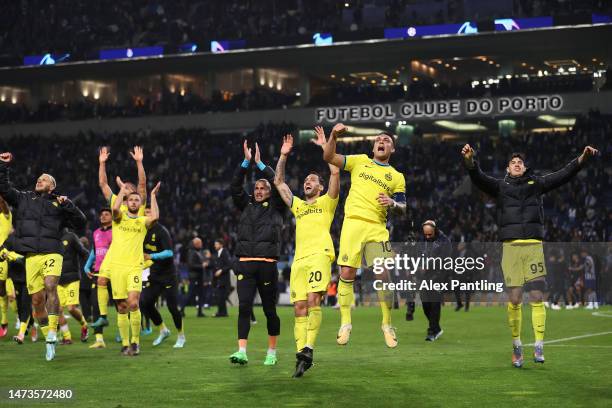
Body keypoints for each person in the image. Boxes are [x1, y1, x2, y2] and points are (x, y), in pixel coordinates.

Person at [461, 143, 599, 367]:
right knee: (514, 299)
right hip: (511, 248)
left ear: (525, 169)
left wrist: (582, 158)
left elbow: (563, 175)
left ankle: (538, 345)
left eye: (520, 163)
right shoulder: (500, 186)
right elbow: (478, 177)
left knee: (536, 296)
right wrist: (469, 160)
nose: (517, 164)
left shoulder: (537, 184)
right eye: (513, 162)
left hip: (534, 246)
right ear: (507, 169)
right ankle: (516, 345)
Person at [322, 123, 406, 347]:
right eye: (379, 139)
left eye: (387, 140)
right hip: (353, 224)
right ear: (373, 145)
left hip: (378, 228)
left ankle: (387, 324)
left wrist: (393, 203)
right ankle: (345, 323)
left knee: (383, 274)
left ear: (392, 149)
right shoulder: (359, 160)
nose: (381, 142)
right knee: (347, 272)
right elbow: (329, 156)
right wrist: (333, 136)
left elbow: (403, 208)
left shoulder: (396, 176)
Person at [0, 151, 86, 361]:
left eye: (45, 179)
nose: (40, 180)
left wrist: (69, 205)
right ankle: (49, 334)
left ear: (52, 186)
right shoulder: (23, 199)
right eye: (39, 178)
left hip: (52, 252)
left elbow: (81, 224)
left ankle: (52, 336)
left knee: (50, 286)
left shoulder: (60, 203)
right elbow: (3, 188)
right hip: (31, 256)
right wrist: (3, 166)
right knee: (37, 301)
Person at [273, 129, 339, 377]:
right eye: (305, 180)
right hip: (299, 260)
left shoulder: (328, 202)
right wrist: (283, 156)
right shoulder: (299, 206)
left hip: (319, 255)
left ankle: (309, 347)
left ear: (320, 187)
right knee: (299, 308)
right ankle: (302, 355)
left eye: (312, 180)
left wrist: (326, 146)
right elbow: (279, 182)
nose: (307, 182)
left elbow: (334, 170)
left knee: (313, 302)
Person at [229, 141, 283, 366]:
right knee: (244, 307)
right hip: (245, 263)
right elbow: (234, 186)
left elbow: (278, 182)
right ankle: (242, 351)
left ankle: (272, 351)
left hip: (267, 264)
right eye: (257, 188)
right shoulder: (246, 205)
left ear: (270, 192)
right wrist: (245, 163)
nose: (259, 191)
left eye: (263, 188)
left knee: (270, 310)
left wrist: (260, 164)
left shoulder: (278, 206)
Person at [91, 146, 146, 330]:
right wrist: (102, 164)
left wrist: (139, 162)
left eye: (130, 188)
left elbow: (143, 185)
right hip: (114, 253)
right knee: (101, 281)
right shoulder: (117, 202)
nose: (128, 189)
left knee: (130, 302)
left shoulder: (137, 205)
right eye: (125, 187)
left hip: (129, 255)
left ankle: (133, 331)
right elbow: (102, 184)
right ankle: (104, 316)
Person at [110, 178, 160, 356]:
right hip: (117, 267)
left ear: (140, 204)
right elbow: (115, 209)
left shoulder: (142, 221)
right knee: (121, 307)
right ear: (127, 202)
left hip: (134, 267)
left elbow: (155, 217)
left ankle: (135, 342)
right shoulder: (119, 217)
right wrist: (122, 192)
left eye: (137, 200)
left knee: (133, 303)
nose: (133, 202)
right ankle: (124, 343)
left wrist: (153, 196)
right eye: (130, 199)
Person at [141, 208, 185, 348]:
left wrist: (151, 256)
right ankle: (163, 330)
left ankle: (181, 336)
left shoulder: (161, 231)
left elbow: (169, 252)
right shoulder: (141, 231)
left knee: (172, 307)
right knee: (145, 303)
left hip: (168, 275)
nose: (146, 215)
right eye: (144, 213)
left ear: (154, 215)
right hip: (154, 274)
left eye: (148, 212)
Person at [84, 207, 113, 348]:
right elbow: (94, 252)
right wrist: (87, 266)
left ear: (113, 217)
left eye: (107, 214)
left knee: (121, 305)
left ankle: (124, 334)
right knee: (95, 305)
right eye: (102, 214)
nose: (103, 216)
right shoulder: (95, 233)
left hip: (114, 272)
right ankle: (99, 339)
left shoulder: (117, 232)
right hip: (98, 272)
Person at [56, 227, 90, 344]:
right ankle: (67, 337)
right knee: (58, 310)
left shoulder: (71, 237)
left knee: (71, 308)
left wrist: (87, 267)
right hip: (58, 280)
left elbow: (84, 252)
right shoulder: (52, 239)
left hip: (72, 278)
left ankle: (84, 325)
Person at [419, 220, 450, 342]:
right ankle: (436, 328)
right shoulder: (423, 240)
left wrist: (429, 264)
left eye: (429, 235)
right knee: (425, 303)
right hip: (426, 275)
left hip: (439, 274)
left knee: (434, 303)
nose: (427, 237)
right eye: (425, 234)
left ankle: (432, 331)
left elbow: (445, 259)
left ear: (435, 231)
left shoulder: (444, 241)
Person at [181, 237, 206, 317]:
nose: (201, 244)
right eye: (200, 243)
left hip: (199, 276)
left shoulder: (198, 251)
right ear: (196, 244)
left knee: (200, 294)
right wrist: (201, 266)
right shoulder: (191, 252)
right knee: (190, 293)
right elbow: (191, 265)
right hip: (194, 276)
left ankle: (199, 312)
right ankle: (181, 310)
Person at [0, 196, 12, 338]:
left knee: (1, 288)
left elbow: (3, 202)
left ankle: (4, 320)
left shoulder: (6, 216)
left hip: (3, 256)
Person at [213, 239, 232, 317]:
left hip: (224, 278)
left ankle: (221, 313)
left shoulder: (225, 252)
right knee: (221, 296)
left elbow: (229, 265)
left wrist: (221, 270)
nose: (215, 246)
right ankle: (223, 313)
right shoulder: (218, 253)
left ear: (221, 245)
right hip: (220, 278)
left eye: (216, 244)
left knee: (221, 296)